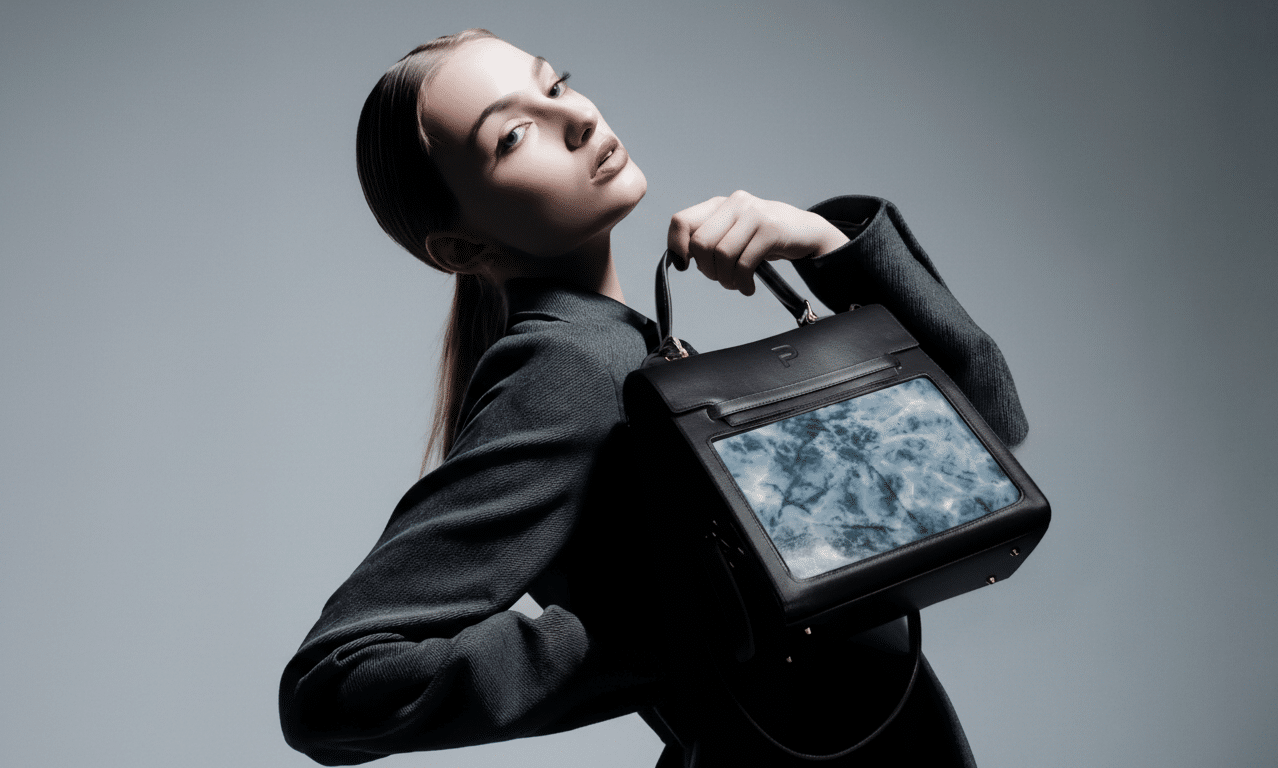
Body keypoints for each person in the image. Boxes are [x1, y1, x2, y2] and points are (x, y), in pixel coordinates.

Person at [278, 29, 1029, 767]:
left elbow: (988, 441)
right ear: (462, 247)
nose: (576, 118)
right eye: (512, 136)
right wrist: (678, 622)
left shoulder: (628, 354)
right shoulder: (567, 369)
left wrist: (826, 245)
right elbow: (333, 687)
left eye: (555, 84)